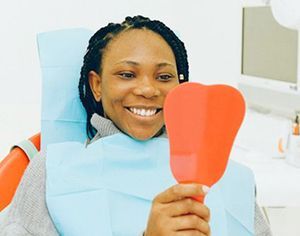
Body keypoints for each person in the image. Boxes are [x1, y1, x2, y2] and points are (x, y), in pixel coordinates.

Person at [0, 16, 272, 236]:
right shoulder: (52, 171)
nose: (147, 89)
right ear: (96, 85)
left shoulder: (234, 180)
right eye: (127, 74)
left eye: (164, 76)